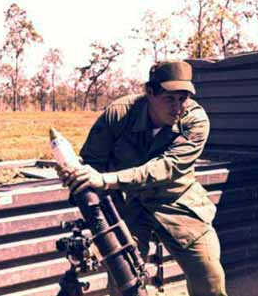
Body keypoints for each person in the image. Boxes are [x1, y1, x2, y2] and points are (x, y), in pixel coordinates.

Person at [59, 61, 227, 296]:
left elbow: (167, 167)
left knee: (209, 276)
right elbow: (92, 162)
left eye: (183, 98)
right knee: (122, 280)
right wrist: (78, 175)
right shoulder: (119, 114)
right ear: (149, 92)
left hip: (178, 202)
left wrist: (107, 179)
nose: (178, 107)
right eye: (170, 98)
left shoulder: (195, 120)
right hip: (131, 205)